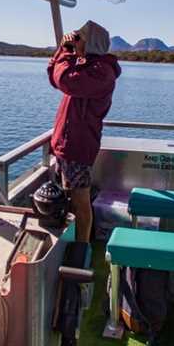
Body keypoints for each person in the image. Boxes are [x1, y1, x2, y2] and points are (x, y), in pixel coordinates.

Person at [48, 20, 121, 242]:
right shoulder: (86, 65)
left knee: (80, 200)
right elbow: (54, 75)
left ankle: (81, 249)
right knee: (71, 197)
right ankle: (73, 241)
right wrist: (64, 51)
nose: (74, 42)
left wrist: (67, 53)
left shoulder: (101, 72)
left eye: (79, 38)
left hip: (77, 146)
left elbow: (65, 80)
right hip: (66, 144)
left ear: (91, 43)